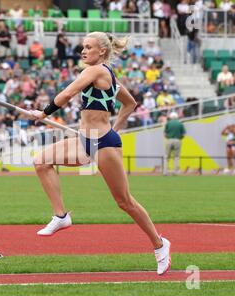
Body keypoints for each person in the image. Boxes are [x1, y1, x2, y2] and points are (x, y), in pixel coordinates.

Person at [29, 32, 171, 275]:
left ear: (102, 51)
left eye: (88, 47)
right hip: (85, 140)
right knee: (41, 161)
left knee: (124, 201)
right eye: (82, 47)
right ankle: (61, 216)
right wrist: (114, 128)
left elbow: (66, 94)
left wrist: (43, 113)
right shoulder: (108, 77)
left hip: (104, 143)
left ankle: (160, 245)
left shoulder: (95, 71)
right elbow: (130, 104)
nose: (83, 51)